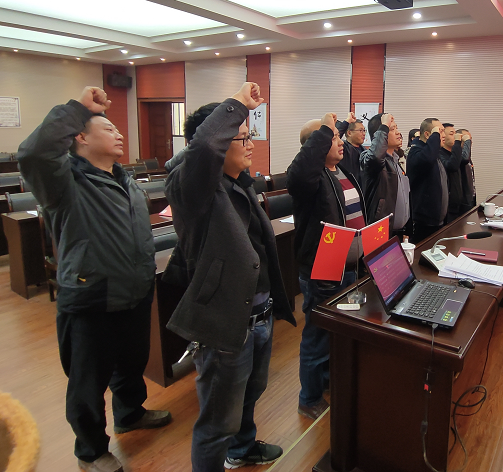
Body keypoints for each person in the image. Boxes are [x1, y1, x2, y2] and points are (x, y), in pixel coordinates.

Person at [17, 87, 171, 472]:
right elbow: (33, 154)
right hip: (91, 296)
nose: (119, 133)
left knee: (132, 363)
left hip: (134, 292)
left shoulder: (125, 179)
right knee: (88, 382)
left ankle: (130, 413)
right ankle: (90, 451)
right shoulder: (64, 182)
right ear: (81, 137)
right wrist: (77, 109)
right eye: (108, 128)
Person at [164, 83, 296, 471]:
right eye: (241, 137)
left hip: (258, 315)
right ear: (219, 145)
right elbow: (204, 147)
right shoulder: (193, 188)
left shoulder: (237, 181)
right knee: (217, 421)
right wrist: (237, 103)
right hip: (225, 324)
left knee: (250, 394)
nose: (251, 143)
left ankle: (242, 448)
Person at [287, 112, 367, 420]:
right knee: (318, 335)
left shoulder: (339, 169)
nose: (339, 141)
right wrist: (324, 130)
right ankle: (308, 398)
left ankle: (327, 380)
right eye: (332, 138)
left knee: (337, 331)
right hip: (322, 267)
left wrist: (339, 126)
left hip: (348, 266)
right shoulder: (310, 177)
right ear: (316, 145)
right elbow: (298, 174)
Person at [360, 113, 410, 233]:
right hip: (380, 231)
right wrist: (384, 126)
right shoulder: (368, 158)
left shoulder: (395, 159)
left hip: (399, 231)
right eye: (392, 129)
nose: (398, 133)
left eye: (396, 128)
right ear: (379, 134)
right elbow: (375, 158)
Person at [406, 117, 447, 243]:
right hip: (424, 222)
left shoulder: (433, 153)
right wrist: (435, 136)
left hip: (437, 221)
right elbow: (427, 160)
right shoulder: (416, 152)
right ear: (428, 134)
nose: (443, 135)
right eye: (440, 131)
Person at [439, 123, 466, 223]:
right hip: (447, 207)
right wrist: (457, 142)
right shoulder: (440, 153)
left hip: (457, 204)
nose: (455, 136)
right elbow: (452, 166)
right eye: (451, 134)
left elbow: (465, 159)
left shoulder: (454, 153)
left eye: (455, 133)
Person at [335, 112, 366, 183]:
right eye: (360, 130)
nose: (364, 134)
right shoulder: (343, 148)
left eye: (364, 130)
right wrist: (346, 122)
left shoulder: (365, 151)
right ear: (349, 133)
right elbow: (333, 138)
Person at [457, 128, 476, 209]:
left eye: (470, 139)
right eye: (467, 139)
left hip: (471, 197)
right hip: (463, 201)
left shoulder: (468, 157)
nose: (470, 142)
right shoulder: (458, 157)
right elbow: (464, 159)